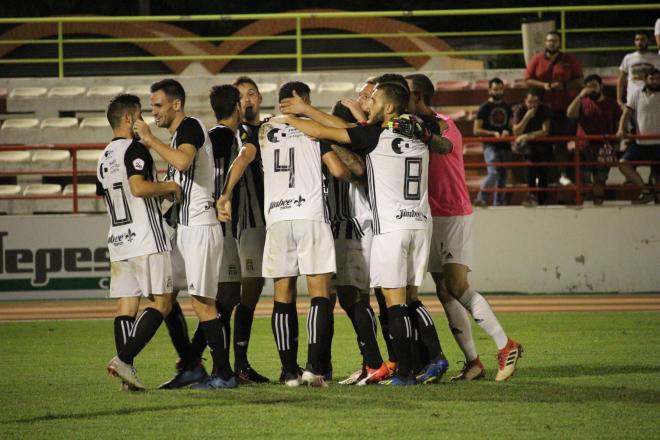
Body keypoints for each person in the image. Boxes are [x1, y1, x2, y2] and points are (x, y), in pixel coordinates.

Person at [275, 81, 450, 386]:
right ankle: (430, 359)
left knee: (395, 303)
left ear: (390, 107)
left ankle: (405, 371)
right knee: (409, 299)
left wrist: (294, 117)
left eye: (375, 100)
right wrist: (427, 133)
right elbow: (444, 143)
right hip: (420, 223)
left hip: (390, 227)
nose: (370, 105)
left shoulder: (374, 136)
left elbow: (326, 132)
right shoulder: (418, 131)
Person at [217, 81, 352, 387]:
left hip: (277, 219)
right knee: (319, 293)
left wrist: (224, 195)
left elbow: (242, 159)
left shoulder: (262, 130)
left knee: (283, 295)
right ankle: (314, 369)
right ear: (304, 101)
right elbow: (339, 170)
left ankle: (289, 371)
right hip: (310, 216)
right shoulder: (314, 127)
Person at [404, 73, 523, 382]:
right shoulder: (409, 126)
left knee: (457, 286)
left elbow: (442, 145)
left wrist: (427, 136)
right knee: (444, 291)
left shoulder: (445, 124)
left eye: (406, 93)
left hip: (452, 213)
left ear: (419, 97)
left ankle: (505, 345)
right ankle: (473, 362)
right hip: (429, 215)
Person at [278, 89, 391, 386]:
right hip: (330, 227)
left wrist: (328, 138)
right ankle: (324, 365)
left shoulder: (355, 146)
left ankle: (375, 363)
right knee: (332, 298)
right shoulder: (311, 143)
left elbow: (356, 170)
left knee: (355, 296)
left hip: (351, 226)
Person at [134, 79, 236, 390]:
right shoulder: (179, 135)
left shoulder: (190, 126)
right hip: (183, 228)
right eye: (152, 107)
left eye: (159, 105)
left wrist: (150, 140)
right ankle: (191, 365)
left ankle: (223, 374)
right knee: (166, 294)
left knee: (204, 302)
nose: (154, 112)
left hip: (200, 226)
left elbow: (183, 160)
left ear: (176, 104)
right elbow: (178, 183)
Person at [98, 94, 180, 391]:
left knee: (126, 304)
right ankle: (124, 358)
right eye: (141, 115)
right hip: (145, 236)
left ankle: (127, 375)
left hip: (119, 239)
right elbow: (137, 187)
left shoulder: (103, 156)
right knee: (163, 302)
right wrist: (169, 186)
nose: (144, 120)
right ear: (129, 119)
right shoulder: (135, 148)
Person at [230, 77, 271, 384]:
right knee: (248, 293)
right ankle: (240, 364)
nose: (246, 100)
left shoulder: (273, 129)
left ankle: (309, 363)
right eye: (240, 96)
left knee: (284, 290)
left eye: (251, 94)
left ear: (260, 97)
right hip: (252, 224)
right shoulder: (233, 136)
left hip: (282, 219)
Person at [525, 30, 583, 186]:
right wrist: (544, 85)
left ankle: (563, 175)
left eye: (556, 41)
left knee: (561, 143)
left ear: (560, 43)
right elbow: (528, 79)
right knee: (541, 144)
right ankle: (542, 180)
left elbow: (580, 81)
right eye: (550, 40)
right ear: (545, 43)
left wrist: (564, 85)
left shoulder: (569, 59)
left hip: (563, 109)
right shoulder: (537, 59)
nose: (552, 43)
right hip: (542, 109)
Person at [566, 74, 621, 204]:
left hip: (603, 147)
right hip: (584, 146)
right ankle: (581, 208)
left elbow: (619, 123)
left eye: (594, 86)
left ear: (601, 86)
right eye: (588, 86)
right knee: (583, 179)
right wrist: (580, 96)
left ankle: (598, 205)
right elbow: (569, 113)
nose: (591, 89)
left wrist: (617, 143)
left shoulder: (611, 104)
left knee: (599, 180)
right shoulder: (582, 103)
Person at [617, 68, 660, 204]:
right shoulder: (636, 94)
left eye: (658, 78)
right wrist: (621, 129)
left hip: (659, 143)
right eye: (652, 78)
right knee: (623, 164)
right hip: (640, 142)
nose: (655, 81)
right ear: (645, 79)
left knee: (657, 179)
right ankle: (645, 192)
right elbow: (626, 113)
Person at [473, 78, 514, 207]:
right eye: (495, 89)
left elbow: (511, 126)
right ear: (490, 90)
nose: (498, 92)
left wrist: (508, 131)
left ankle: (499, 203)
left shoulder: (507, 107)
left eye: (500, 89)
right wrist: (493, 134)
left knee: (503, 176)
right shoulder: (484, 107)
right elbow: (476, 130)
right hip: (490, 146)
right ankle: (482, 198)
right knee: (494, 173)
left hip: (505, 146)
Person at [513, 88, 553, 207]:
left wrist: (526, 136)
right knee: (530, 165)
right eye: (530, 102)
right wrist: (526, 117)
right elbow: (516, 132)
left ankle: (542, 200)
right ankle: (531, 195)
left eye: (535, 102)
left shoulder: (544, 109)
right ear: (525, 101)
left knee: (543, 173)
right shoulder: (520, 110)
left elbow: (545, 131)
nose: (532, 105)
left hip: (543, 146)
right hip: (528, 148)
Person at [617, 31, 660, 109]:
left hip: (651, 100)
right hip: (632, 102)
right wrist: (619, 99)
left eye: (642, 39)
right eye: (637, 39)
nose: (639, 42)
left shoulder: (657, 59)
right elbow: (621, 79)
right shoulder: (628, 58)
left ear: (648, 41)